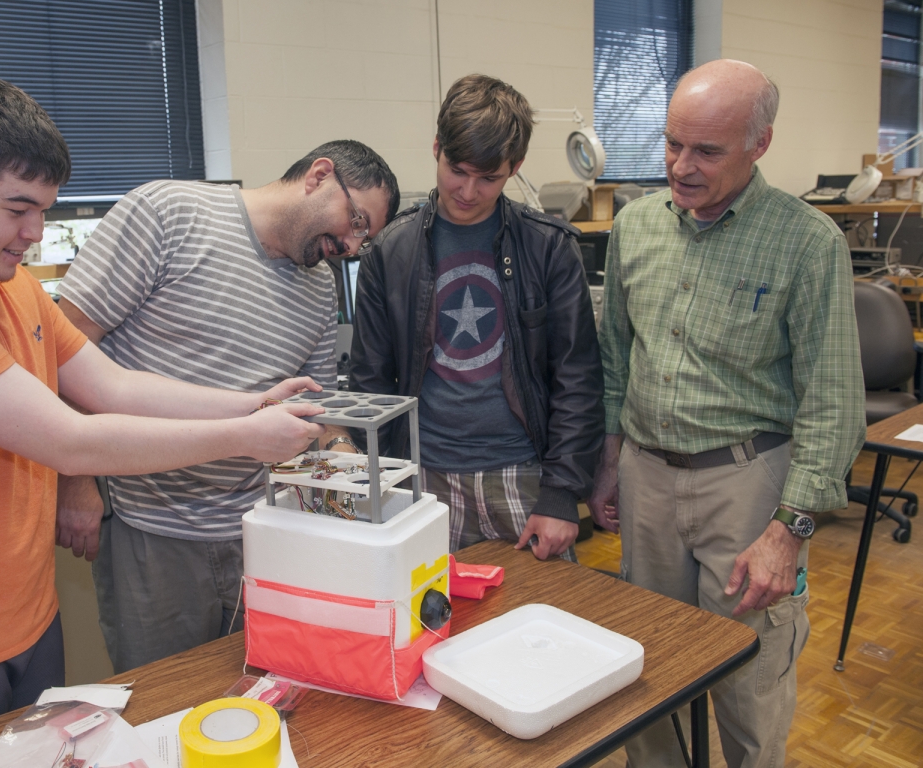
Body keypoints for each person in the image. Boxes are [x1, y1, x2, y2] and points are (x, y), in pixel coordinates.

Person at [0, 73, 326, 752]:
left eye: (44, 210)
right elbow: (70, 440)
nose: (35, 232)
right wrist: (245, 436)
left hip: (26, 624)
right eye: (17, 209)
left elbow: (115, 388)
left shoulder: (9, 286)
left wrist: (254, 401)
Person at [589, 59, 864, 767]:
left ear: (760, 145)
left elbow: (833, 403)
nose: (681, 166)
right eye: (672, 143)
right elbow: (618, 357)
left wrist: (790, 531)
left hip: (748, 487)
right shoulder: (637, 226)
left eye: (707, 151)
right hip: (647, 480)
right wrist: (610, 459)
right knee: (646, 676)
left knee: (748, 679)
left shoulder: (807, 243)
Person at [54, 140, 400, 672]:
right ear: (318, 175)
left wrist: (357, 477)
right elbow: (62, 348)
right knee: (162, 703)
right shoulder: (169, 213)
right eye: (355, 221)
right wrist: (73, 478)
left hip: (260, 532)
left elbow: (318, 408)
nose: (352, 246)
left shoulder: (319, 287)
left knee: (255, 696)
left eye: (365, 239)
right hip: (153, 530)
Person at [348, 73, 604, 559]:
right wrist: (378, 481)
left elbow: (578, 377)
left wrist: (561, 492)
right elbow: (370, 381)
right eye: (457, 169)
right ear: (437, 148)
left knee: (540, 623)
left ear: (516, 167)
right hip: (424, 475)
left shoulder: (548, 247)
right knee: (431, 623)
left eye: (489, 178)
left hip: (524, 475)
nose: (467, 191)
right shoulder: (389, 250)